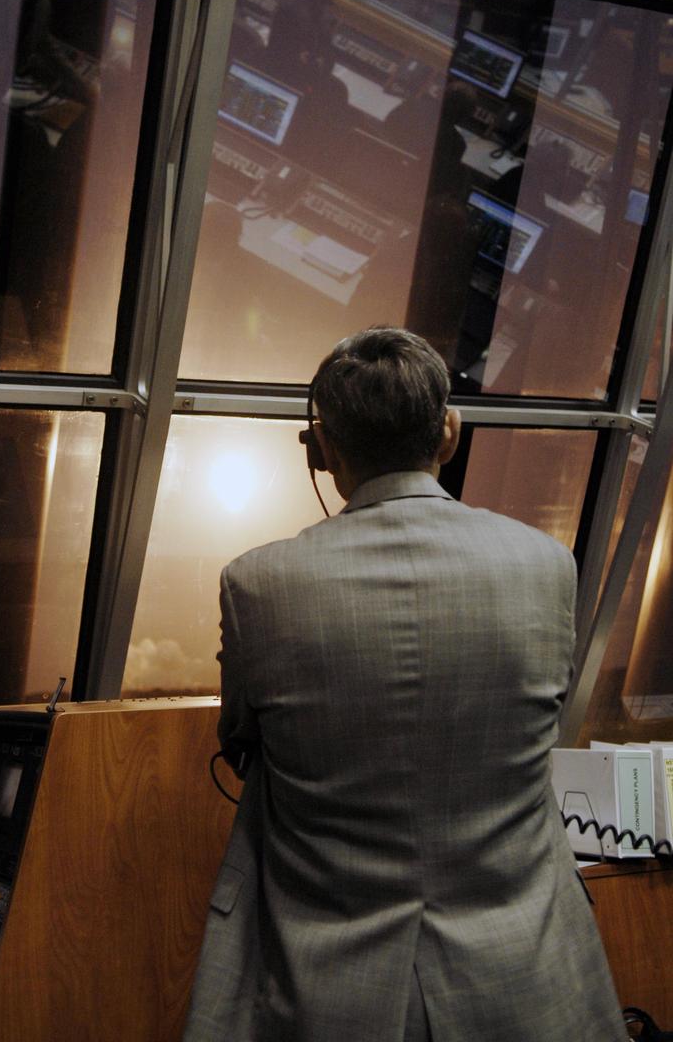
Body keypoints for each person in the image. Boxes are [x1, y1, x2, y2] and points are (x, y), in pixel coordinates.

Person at [184, 327, 626, 1042]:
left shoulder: (257, 583)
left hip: (323, 984)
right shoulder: (546, 563)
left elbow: (239, 740)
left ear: (322, 449)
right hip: (527, 977)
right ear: (449, 432)